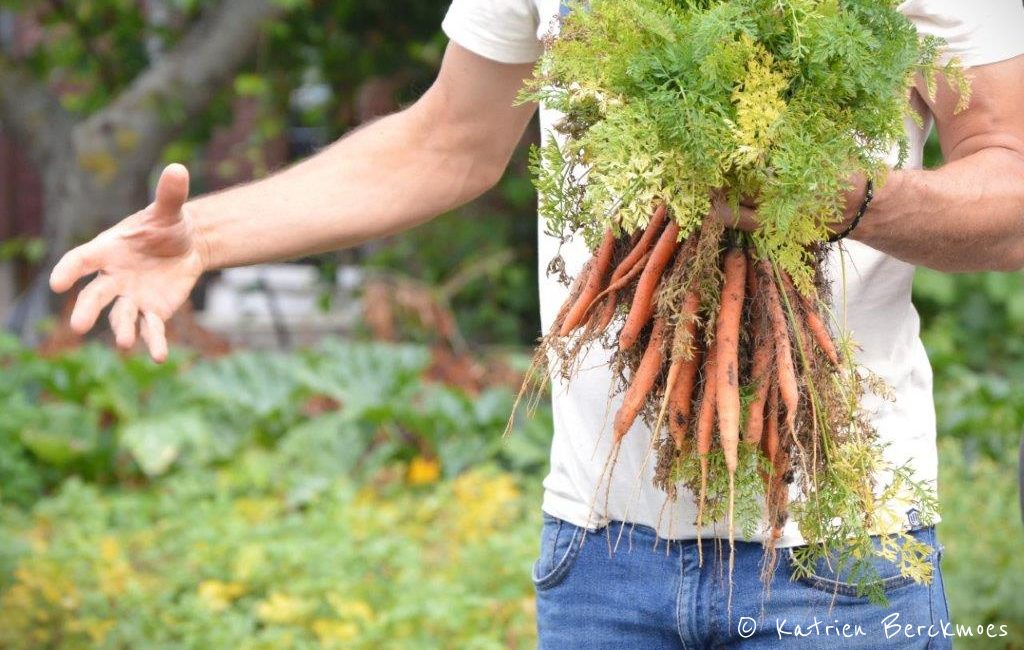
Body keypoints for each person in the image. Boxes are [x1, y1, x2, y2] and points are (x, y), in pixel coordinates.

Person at [50, 0, 1024, 647]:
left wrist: (847, 199)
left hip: (841, 552)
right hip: (598, 555)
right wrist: (207, 235)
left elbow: (1010, 182)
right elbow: (446, 140)